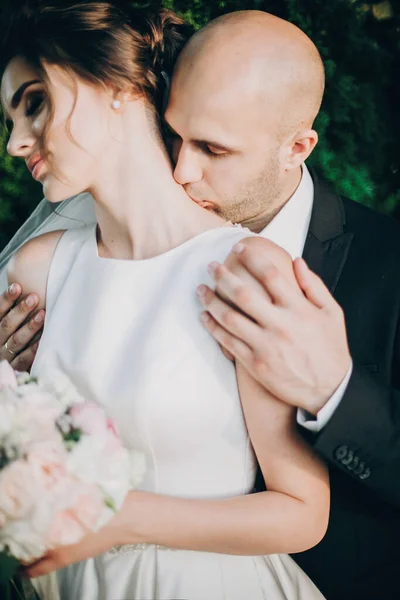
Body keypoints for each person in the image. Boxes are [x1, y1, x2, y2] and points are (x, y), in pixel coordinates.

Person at [1, 7, 399, 600]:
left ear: (297, 147)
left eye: (213, 147)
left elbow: (303, 509)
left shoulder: (290, 269)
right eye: (176, 134)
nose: (183, 169)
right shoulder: (41, 267)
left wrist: (331, 388)